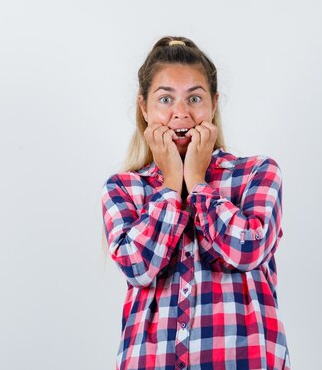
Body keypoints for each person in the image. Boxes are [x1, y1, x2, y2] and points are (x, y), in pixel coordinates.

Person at [100, 36, 290, 370]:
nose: (181, 114)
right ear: (144, 108)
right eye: (165, 99)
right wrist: (172, 182)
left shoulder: (256, 173)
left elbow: (247, 251)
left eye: (195, 98)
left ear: (213, 105)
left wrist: (199, 183)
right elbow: (138, 267)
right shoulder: (124, 188)